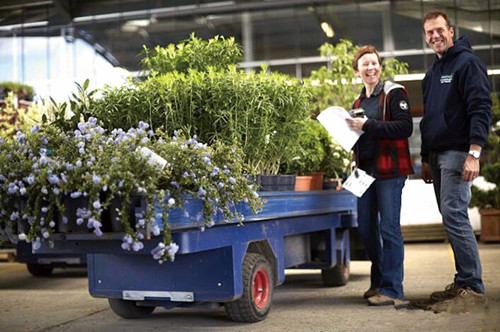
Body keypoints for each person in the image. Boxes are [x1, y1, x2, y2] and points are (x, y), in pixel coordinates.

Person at [419, 10, 492, 307]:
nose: (434, 36)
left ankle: (473, 285)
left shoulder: (467, 63)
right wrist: (425, 157)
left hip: (458, 152)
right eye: (429, 33)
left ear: (451, 31)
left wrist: (474, 153)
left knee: (455, 215)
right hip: (437, 156)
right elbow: (428, 119)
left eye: (439, 30)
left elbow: (480, 108)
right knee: (450, 217)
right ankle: (463, 280)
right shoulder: (433, 73)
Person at [346, 45, 413, 309]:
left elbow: (405, 127)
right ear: (357, 70)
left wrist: (368, 125)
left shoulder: (394, 93)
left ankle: (393, 289)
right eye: (365, 64)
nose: (370, 68)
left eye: (374, 63)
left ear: (380, 67)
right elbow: (362, 136)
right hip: (365, 171)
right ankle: (378, 283)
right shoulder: (358, 102)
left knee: (389, 229)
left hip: (390, 172)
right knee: (366, 228)